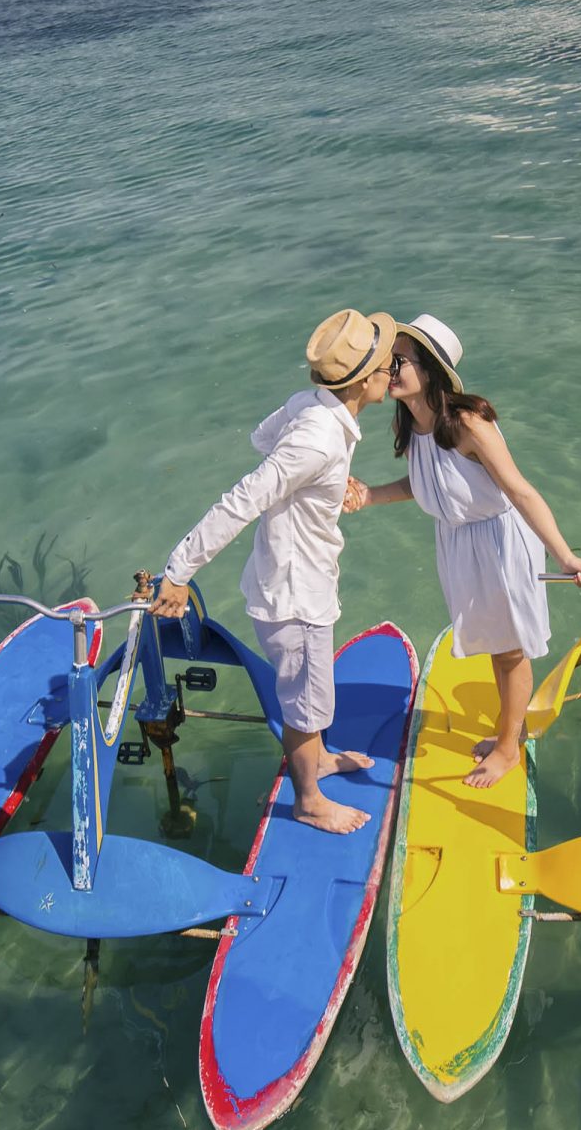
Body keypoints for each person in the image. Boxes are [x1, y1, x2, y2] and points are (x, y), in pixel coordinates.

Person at [151, 309, 397, 835]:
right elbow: (242, 501)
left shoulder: (311, 406)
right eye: (386, 365)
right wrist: (179, 570)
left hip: (294, 578)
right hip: (295, 594)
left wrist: (322, 480)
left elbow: (264, 438)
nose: (392, 371)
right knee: (305, 704)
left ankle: (319, 759)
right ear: (363, 382)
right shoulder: (318, 440)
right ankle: (309, 801)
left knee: (310, 693)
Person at [344, 315, 581, 789]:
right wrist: (370, 496)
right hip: (459, 543)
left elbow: (521, 491)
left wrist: (565, 556)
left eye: (399, 361)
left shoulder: (468, 423)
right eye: (389, 361)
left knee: (511, 650)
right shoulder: (411, 424)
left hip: (500, 542)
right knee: (497, 647)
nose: (388, 369)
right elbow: (427, 484)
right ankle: (508, 731)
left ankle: (508, 747)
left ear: (431, 370)